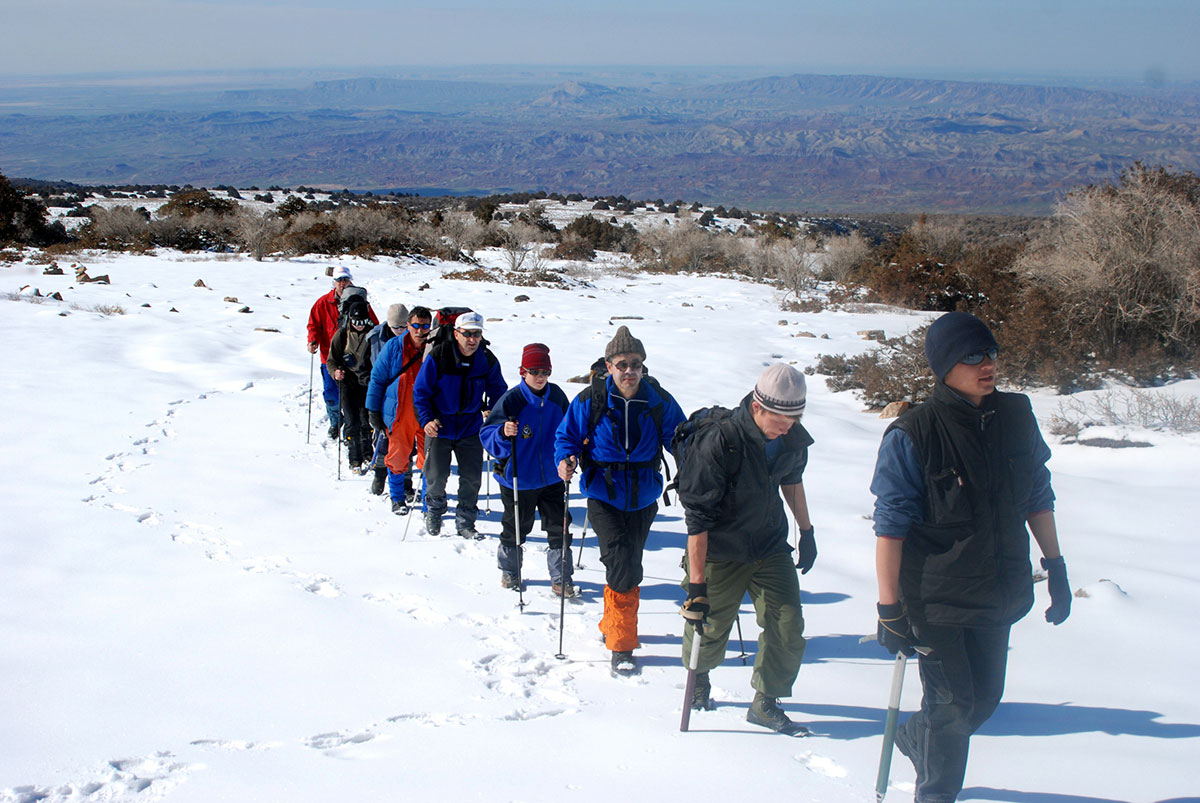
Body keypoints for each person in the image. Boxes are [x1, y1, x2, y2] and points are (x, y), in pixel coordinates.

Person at [870, 311, 1072, 803]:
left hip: (997, 590)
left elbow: (1037, 495)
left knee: (983, 701)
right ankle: (934, 794)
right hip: (934, 599)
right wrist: (888, 606)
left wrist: (1057, 565)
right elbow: (891, 526)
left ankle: (918, 737)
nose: (988, 365)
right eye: (973, 356)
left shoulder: (1017, 416)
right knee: (952, 708)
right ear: (944, 367)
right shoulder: (912, 433)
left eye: (992, 353)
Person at [677, 363, 816, 735]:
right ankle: (700, 676)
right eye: (782, 418)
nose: (789, 426)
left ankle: (765, 702)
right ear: (758, 407)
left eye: (796, 417)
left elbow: (792, 480)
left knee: (787, 626)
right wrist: (697, 587)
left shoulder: (790, 437)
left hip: (769, 544)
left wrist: (807, 531)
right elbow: (698, 519)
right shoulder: (721, 441)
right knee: (709, 626)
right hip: (720, 549)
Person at [555, 326, 686, 675]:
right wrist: (565, 459)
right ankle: (622, 646)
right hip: (603, 494)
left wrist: (694, 462)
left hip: (645, 495)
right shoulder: (591, 399)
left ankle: (611, 624)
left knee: (629, 564)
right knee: (623, 566)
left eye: (636, 364)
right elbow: (567, 435)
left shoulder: (658, 399)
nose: (630, 371)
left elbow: (679, 435)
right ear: (609, 365)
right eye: (623, 364)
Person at [480, 344, 573, 594]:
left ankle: (561, 577)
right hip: (517, 478)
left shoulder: (557, 397)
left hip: (553, 476)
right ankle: (510, 571)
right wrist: (502, 432)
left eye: (545, 372)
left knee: (559, 526)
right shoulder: (512, 400)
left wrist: (573, 454)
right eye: (535, 371)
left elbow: (570, 430)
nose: (541, 377)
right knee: (516, 527)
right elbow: (487, 435)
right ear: (523, 372)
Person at [413, 311, 506, 538]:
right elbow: (421, 393)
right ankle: (434, 512)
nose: (472, 339)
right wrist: (426, 420)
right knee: (436, 476)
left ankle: (465, 521)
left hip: (470, 426)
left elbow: (498, 390)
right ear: (456, 334)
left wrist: (492, 410)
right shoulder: (438, 356)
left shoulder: (486, 359)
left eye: (477, 334)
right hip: (440, 425)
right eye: (467, 334)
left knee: (472, 478)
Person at [367, 306, 431, 512]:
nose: (420, 330)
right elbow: (377, 379)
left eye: (425, 326)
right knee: (397, 457)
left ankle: (430, 500)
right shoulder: (394, 347)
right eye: (416, 325)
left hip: (426, 413)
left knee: (429, 458)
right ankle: (397, 497)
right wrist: (373, 410)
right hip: (399, 412)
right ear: (408, 325)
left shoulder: (434, 348)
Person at [306, 266, 377, 439]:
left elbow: (374, 324)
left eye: (345, 279)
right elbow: (313, 324)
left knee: (356, 398)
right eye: (339, 280)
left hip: (358, 360)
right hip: (329, 357)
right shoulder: (323, 303)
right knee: (331, 395)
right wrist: (312, 339)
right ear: (334, 282)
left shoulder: (360, 303)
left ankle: (355, 428)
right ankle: (336, 421)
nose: (343, 283)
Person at [327, 292, 376, 474]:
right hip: (347, 382)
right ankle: (354, 459)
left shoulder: (374, 334)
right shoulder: (341, 335)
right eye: (356, 321)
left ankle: (368, 454)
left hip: (367, 383)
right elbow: (331, 360)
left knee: (366, 420)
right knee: (351, 420)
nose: (359, 325)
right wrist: (335, 372)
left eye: (363, 322)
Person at [364, 303, 408, 496]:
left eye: (403, 327)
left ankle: (406, 482)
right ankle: (380, 474)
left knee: (406, 446)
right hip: (383, 398)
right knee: (382, 442)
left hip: (405, 400)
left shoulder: (415, 340)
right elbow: (370, 370)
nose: (399, 331)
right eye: (395, 327)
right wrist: (373, 406)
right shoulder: (375, 338)